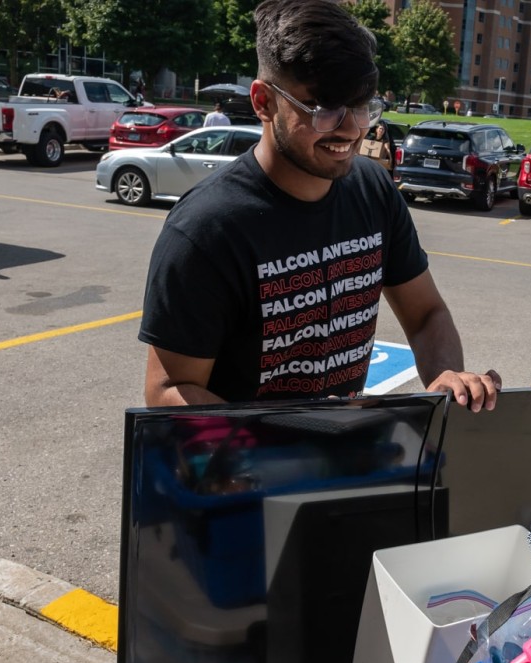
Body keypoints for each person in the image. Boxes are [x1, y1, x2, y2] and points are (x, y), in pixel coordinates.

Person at [139, 0, 500, 412]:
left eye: (362, 105)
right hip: (244, 471)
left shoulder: (373, 189)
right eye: (324, 108)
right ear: (263, 102)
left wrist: (444, 374)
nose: (350, 129)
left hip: (339, 454)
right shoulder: (207, 228)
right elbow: (168, 391)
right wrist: (298, 436)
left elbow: (425, 314)